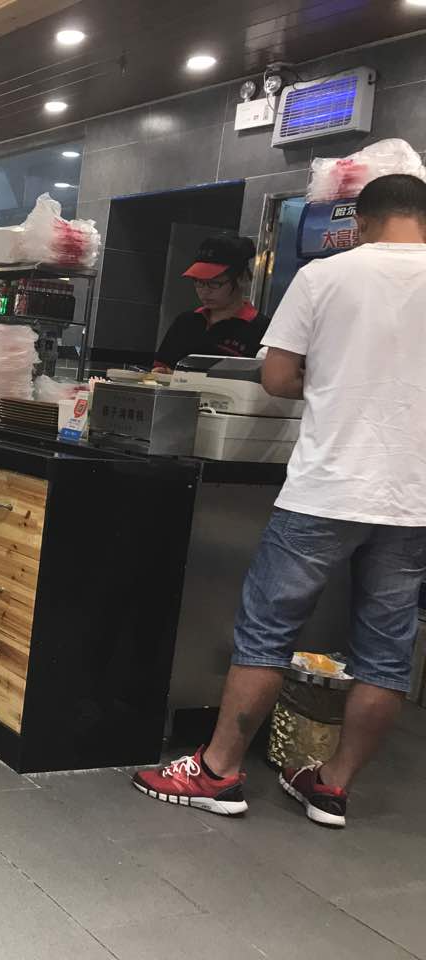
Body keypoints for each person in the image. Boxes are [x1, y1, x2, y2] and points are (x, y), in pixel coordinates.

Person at [133, 174, 426, 829]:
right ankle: (332, 788)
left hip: (327, 488)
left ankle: (218, 772)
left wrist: (333, 386)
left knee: (266, 635)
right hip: (413, 501)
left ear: (360, 221)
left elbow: (276, 376)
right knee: (385, 655)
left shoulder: (326, 276)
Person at [153, 236, 268, 373]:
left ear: (242, 279)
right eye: (199, 282)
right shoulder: (185, 322)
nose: (204, 291)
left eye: (214, 283)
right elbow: (161, 369)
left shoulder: (262, 330)